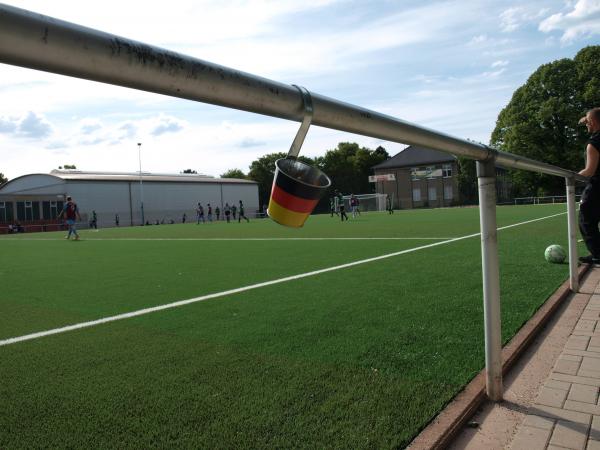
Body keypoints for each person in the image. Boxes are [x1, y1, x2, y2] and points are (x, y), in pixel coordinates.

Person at [578, 107, 600, 264]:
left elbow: (590, 171)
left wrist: (574, 175)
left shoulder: (593, 144)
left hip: (598, 186)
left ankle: (598, 254)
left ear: (592, 123)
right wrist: (589, 118)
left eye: (587, 122)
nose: (585, 124)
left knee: (586, 219)